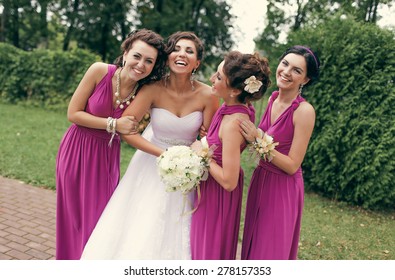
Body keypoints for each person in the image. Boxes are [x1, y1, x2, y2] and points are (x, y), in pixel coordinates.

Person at [80, 31, 219, 259]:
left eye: (189, 51)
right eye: (176, 49)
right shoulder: (153, 88)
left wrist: (195, 149)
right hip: (148, 165)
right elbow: (128, 131)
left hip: (186, 174)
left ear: (197, 62)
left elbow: (209, 139)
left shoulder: (208, 95)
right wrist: (164, 154)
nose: (182, 54)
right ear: (168, 56)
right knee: (138, 226)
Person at [55, 29, 167, 260]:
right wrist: (114, 124)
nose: (140, 65)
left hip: (106, 157)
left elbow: (170, 109)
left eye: (149, 61)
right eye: (137, 56)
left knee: (100, 220)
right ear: (125, 53)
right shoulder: (99, 71)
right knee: (72, 218)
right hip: (77, 149)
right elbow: (73, 113)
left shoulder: (145, 91)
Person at [239, 45, 320, 260]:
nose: (286, 72)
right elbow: (256, 139)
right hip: (260, 180)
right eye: (285, 64)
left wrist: (258, 138)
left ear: (305, 80)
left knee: (270, 250)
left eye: (297, 70)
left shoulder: (304, 111)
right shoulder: (273, 98)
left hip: (283, 188)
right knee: (253, 243)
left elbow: (293, 165)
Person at [190, 51, 271, 260]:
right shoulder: (233, 107)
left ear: (235, 90)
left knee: (209, 253)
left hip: (218, 196)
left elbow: (229, 181)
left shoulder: (234, 123)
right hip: (209, 189)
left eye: (218, 77)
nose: (211, 79)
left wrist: (202, 154)